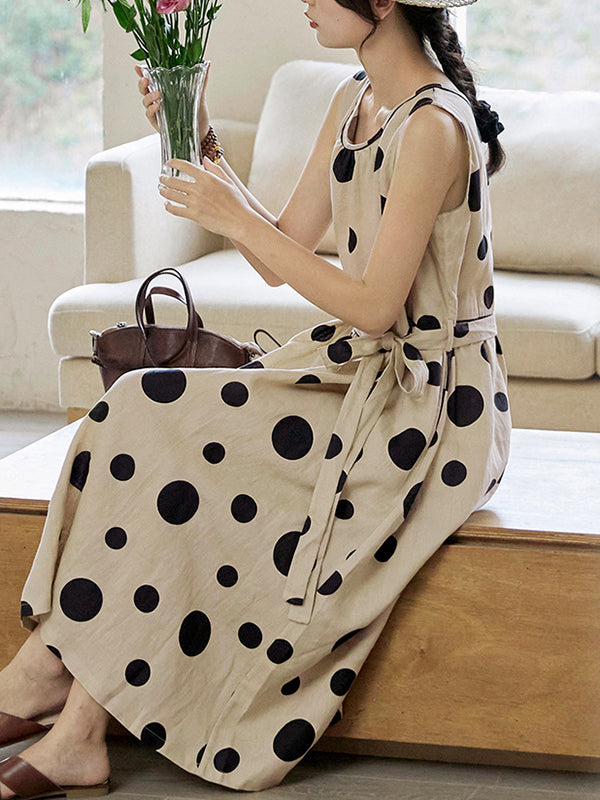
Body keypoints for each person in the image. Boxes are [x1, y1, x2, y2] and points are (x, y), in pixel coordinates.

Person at [0, 0, 511, 794]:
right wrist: (199, 132)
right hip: (359, 371)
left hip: (431, 408)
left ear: (382, 3)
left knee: (185, 454)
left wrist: (230, 214)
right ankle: (55, 683)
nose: (304, 1)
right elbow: (281, 250)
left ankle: (65, 709)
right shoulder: (354, 99)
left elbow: (377, 305)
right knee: (135, 406)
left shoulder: (434, 127)